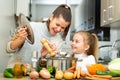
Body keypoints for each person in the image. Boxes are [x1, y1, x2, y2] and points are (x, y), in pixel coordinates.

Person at [6, 4, 72, 67]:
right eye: (57, 24)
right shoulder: (31, 27)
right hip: (14, 72)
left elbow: (48, 68)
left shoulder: (58, 41)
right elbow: (8, 49)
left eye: (63, 28)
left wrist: (44, 57)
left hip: (33, 76)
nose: (58, 29)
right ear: (51, 17)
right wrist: (20, 39)